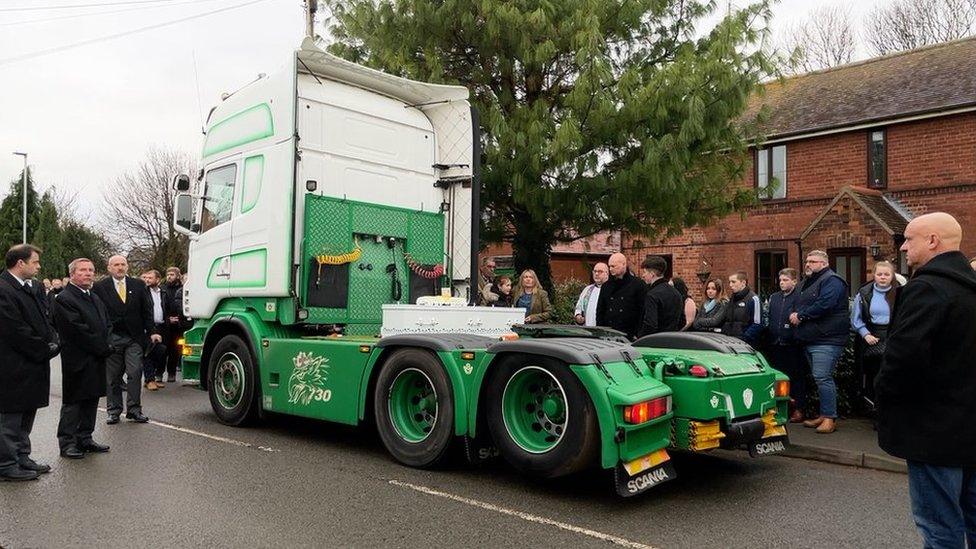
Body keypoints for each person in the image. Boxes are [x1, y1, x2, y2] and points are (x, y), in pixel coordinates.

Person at [875, 212, 976, 548]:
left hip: (933, 433)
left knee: (939, 527)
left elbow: (903, 360)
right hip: (970, 427)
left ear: (933, 241)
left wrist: (883, 397)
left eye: (908, 239)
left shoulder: (926, 288)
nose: (903, 247)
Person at [0, 244, 60, 481]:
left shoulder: (32, 287)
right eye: (35, 262)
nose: (39, 266)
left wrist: (52, 340)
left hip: (32, 362)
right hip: (12, 364)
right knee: (10, 417)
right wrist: (42, 349)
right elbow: (13, 329)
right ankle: (6, 464)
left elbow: (44, 320)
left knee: (27, 412)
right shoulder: (3, 289)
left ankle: (22, 456)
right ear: (20, 263)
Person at [50, 258, 113, 460]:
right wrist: (103, 347)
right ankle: (67, 442)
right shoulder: (64, 299)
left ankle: (85, 437)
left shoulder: (94, 297)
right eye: (83, 270)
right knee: (74, 401)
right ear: (72, 274)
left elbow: (106, 324)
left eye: (91, 270)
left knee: (91, 398)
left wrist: (107, 343)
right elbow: (77, 331)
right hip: (78, 359)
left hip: (96, 358)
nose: (88, 273)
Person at [93, 255, 159, 424]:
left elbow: (147, 310)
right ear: (109, 268)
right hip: (112, 338)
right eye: (116, 265)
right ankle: (114, 411)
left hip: (134, 338)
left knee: (135, 373)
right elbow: (97, 313)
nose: (120, 267)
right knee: (113, 377)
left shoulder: (138, 285)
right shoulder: (100, 287)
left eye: (123, 264)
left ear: (127, 266)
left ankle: (134, 410)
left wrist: (151, 331)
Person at [790, 250, 849, 435]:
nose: (808, 264)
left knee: (823, 377)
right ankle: (824, 415)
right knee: (819, 378)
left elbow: (825, 304)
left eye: (813, 261)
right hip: (812, 338)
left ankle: (829, 418)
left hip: (827, 339)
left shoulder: (833, 281)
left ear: (824, 263)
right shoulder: (810, 281)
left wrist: (801, 315)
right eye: (807, 261)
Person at [850, 261, 900, 415]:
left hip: (894, 337)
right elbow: (855, 319)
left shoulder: (901, 292)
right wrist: (866, 334)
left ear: (892, 276)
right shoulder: (865, 293)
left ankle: (891, 410)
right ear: (874, 275)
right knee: (874, 376)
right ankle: (877, 410)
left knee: (891, 375)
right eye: (879, 274)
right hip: (872, 338)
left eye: (886, 274)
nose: (883, 277)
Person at [765, 268, 807, 423]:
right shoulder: (775, 297)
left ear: (794, 281)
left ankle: (798, 408)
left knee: (796, 377)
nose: (782, 283)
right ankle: (780, 407)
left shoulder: (799, 297)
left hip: (793, 344)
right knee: (778, 377)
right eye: (780, 280)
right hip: (775, 343)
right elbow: (770, 317)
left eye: (786, 280)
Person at [596, 253, 646, 340]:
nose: (610, 269)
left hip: (629, 335)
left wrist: (638, 334)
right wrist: (600, 331)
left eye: (613, 266)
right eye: (609, 266)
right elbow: (600, 311)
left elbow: (643, 311)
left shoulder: (638, 285)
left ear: (623, 264)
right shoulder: (606, 286)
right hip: (609, 334)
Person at [637, 256, 683, 337]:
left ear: (652, 274)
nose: (643, 275)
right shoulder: (676, 293)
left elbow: (650, 324)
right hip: (673, 339)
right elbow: (682, 320)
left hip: (655, 341)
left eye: (644, 272)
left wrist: (639, 337)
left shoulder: (652, 295)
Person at [161, 267, 189, 384]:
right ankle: (159, 372)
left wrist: (180, 318)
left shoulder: (183, 289)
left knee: (175, 349)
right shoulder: (162, 289)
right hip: (165, 323)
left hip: (179, 324)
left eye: (172, 274)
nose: (169, 277)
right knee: (162, 349)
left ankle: (171, 373)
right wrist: (167, 318)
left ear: (178, 276)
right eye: (168, 274)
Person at [141, 270, 168, 391]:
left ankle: (154, 377)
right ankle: (149, 379)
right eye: (146, 278)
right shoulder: (143, 292)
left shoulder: (163, 292)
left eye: (150, 278)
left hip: (162, 325)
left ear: (158, 279)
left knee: (161, 351)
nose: (147, 280)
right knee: (149, 352)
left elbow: (166, 306)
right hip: (148, 327)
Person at [721, 272, 762, 344]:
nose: (730, 285)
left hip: (745, 344)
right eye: (729, 282)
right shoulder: (732, 299)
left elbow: (757, 323)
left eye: (733, 282)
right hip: (729, 343)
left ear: (743, 283)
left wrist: (743, 338)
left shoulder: (753, 299)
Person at [574, 262, 609, 327]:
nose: (596, 274)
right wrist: (578, 316)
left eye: (600, 271)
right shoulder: (587, 290)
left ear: (607, 274)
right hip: (588, 331)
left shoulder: (612, 290)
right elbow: (579, 307)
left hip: (606, 331)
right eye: (595, 271)